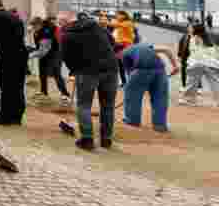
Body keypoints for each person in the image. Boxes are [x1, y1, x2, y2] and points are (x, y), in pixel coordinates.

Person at [60, 10, 119, 151]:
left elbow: (66, 56)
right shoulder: (97, 27)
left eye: (60, 23)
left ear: (66, 23)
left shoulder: (67, 35)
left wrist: (73, 70)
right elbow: (112, 42)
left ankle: (87, 139)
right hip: (110, 69)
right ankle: (106, 140)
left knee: (84, 105)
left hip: (87, 72)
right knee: (108, 106)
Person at [122, 42, 178, 132]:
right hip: (160, 70)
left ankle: (132, 120)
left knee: (131, 93)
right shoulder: (145, 46)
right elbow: (166, 49)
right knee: (160, 97)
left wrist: (140, 87)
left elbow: (130, 76)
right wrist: (175, 66)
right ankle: (160, 125)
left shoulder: (124, 54)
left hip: (142, 68)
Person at [31, 16, 71, 103]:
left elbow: (43, 50)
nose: (34, 28)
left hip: (55, 53)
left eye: (35, 26)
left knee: (56, 73)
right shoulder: (37, 31)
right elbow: (40, 48)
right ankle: (43, 92)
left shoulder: (47, 30)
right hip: (45, 53)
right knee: (42, 72)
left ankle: (65, 94)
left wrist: (30, 55)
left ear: (39, 24)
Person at [179, 24, 219, 107]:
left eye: (192, 28)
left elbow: (193, 51)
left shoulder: (194, 38)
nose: (190, 30)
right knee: (215, 82)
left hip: (197, 62)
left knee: (192, 82)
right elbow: (214, 52)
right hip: (211, 63)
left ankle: (189, 99)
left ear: (196, 30)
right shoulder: (208, 39)